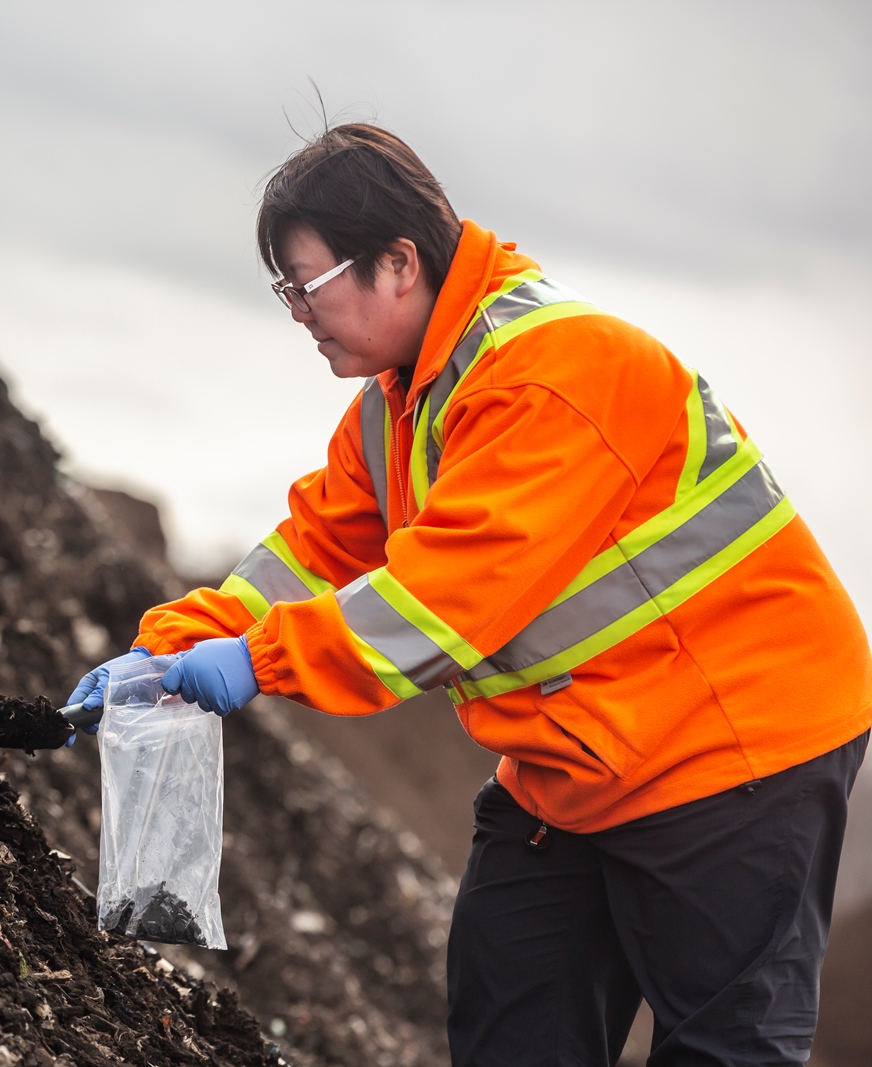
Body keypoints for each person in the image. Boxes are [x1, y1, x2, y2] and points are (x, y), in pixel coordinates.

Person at [68, 124, 871, 1066]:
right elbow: (312, 550)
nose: (297, 313)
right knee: (512, 1031)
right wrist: (170, 641)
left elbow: (445, 601)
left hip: (732, 755)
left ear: (399, 263)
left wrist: (257, 662)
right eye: (283, 288)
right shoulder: (396, 410)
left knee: (722, 1047)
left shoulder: (557, 373)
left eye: (308, 284)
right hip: (577, 763)